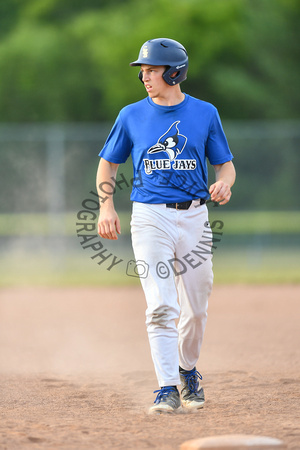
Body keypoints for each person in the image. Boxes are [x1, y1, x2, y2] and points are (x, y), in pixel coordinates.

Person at [97, 38, 236, 414]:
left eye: (152, 70)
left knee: (196, 304)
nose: (144, 76)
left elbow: (225, 164)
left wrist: (225, 182)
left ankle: (187, 369)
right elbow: (109, 163)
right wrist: (106, 205)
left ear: (174, 72)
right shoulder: (130, 115)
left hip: (195, 217)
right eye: (142, 70)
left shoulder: (205, 113)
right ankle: (166, 388)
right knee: (161, 304)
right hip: (149, 216)